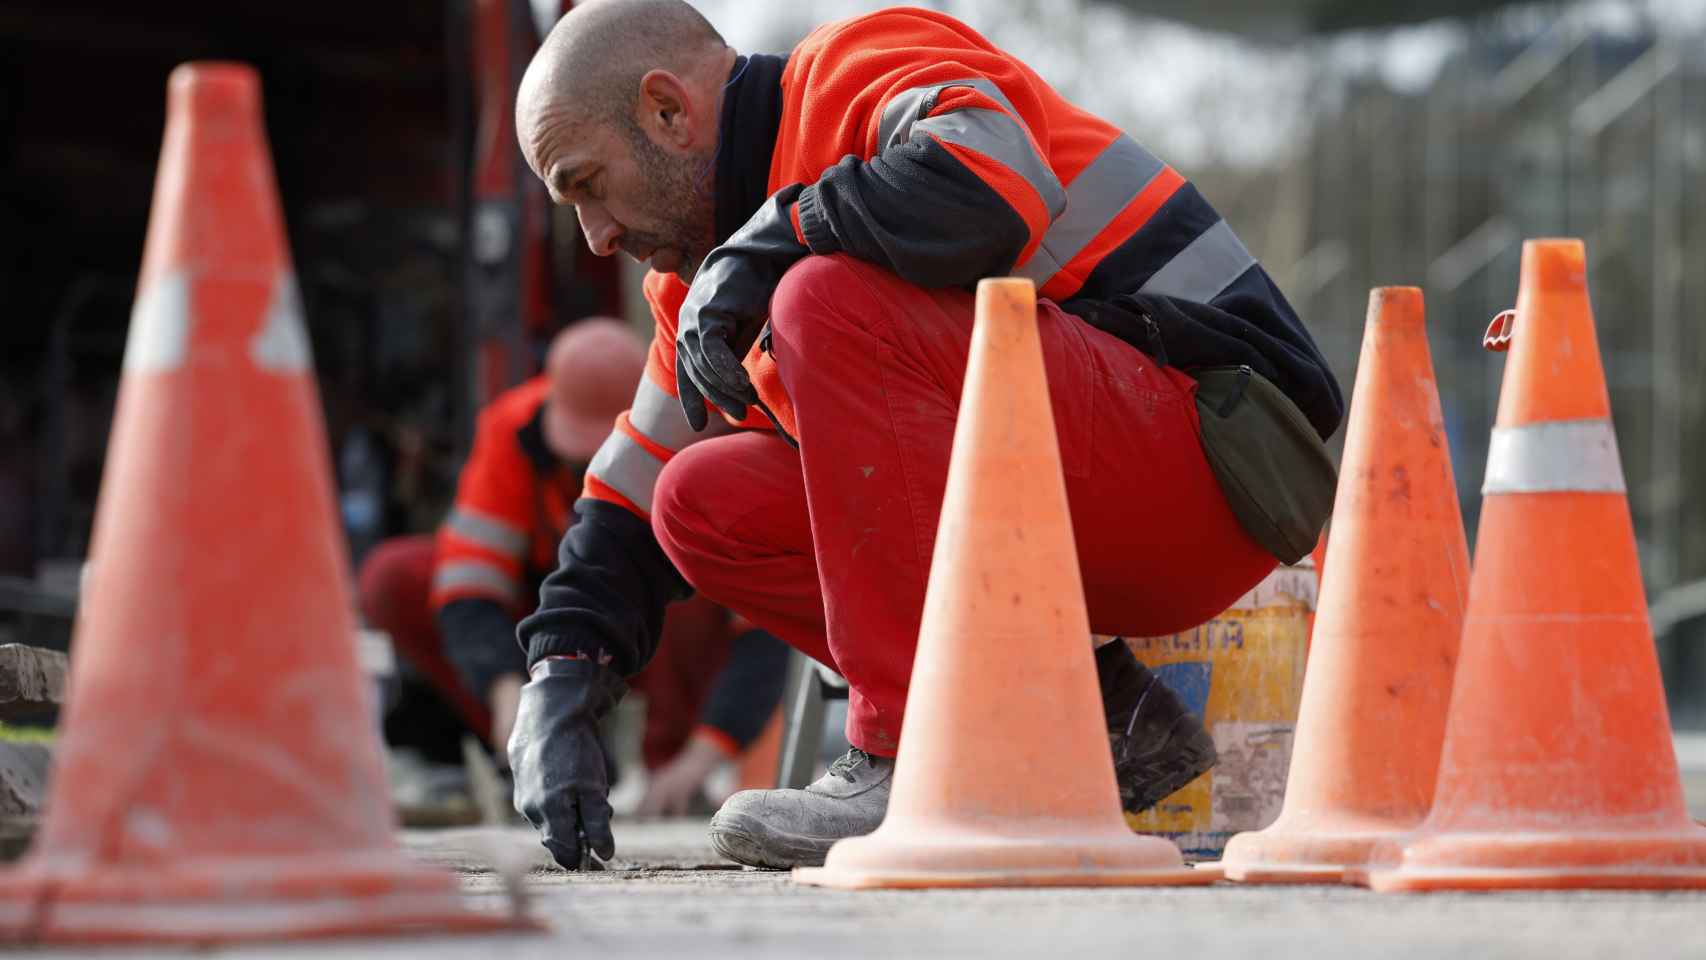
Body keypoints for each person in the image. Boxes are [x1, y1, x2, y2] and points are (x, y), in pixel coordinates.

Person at [506, 0, 1344, 870]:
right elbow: (634, 486)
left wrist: (778, 239)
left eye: (586, 185)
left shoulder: (855, 68)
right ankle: (1086, 725)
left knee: (820, 298)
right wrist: (561, 674)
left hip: (1225, 454)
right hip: (1105, 494)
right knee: (698, 501)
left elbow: (992, 184)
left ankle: (908, 753)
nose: (595, 238)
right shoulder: (699, 288)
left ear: (668, 111)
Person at [359, 318, 789, 817]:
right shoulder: (512, 427)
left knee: (687, 583)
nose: (593, 474)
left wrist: (699, 758)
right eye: (580, 461)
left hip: (652, 627)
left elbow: (762, 637)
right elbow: (468, 586)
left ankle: (668, 777)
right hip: (543, 615)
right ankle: (526, 755)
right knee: (395, 575)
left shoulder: (698, 431)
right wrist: (510, 701)